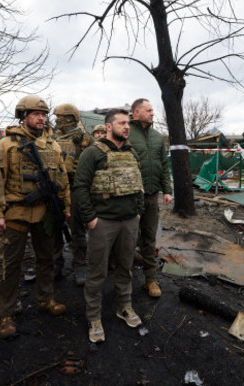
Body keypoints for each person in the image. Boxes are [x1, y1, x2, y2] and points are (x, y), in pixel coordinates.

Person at [0, 95, 71, 339]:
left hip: (45, 211)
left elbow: (63, 178)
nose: (41, 118)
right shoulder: (5, 145)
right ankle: (7, 313)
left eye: (43, 114)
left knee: (46, 258)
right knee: (10, 265)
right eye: (35, 114)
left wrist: (66, 206)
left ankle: (45, 299)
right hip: (15, 211)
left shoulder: (52, 145)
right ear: (23, 116)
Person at [73, 108, 145, 343]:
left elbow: (139, 182)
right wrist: (91, 218)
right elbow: (80, 187)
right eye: (122, 123)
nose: (127, 127)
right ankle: (94, 317)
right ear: (108, 127)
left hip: (129, 221)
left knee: (126, 268)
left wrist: (138, 212)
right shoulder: (92, 153)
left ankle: (124, 306)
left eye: (128, 123)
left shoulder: (131, 152)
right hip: (103, 222)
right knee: (97, 272)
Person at [128, 98, 173, 298]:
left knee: (149, 238)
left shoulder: (157, 137)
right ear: (136, 113)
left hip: (151, 196)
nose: (152, 113)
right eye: (148, 110)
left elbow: (164, 164)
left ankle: (151, 280)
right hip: (130, 198)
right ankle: (124, 280)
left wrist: (168, 190)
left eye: (153, 110)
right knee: (128, 239)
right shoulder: (127, 133)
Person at [52, 103, 93, 285]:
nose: (57, 120)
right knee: (53, 230)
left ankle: (79, 265)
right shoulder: (51, 138)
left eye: (59, 117)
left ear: (69, 118)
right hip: (55, 189)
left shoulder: (84, 139)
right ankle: (56, 265)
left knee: (76, 229)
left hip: (75, 189)